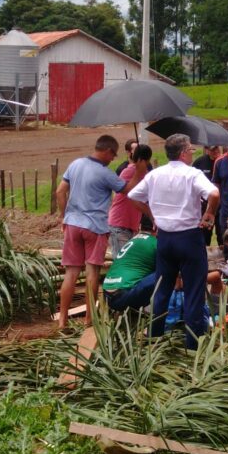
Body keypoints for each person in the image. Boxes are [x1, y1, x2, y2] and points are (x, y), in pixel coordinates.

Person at [128, 133, 220, 350]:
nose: (192, 153)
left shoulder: (155, 175)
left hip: (165, 238)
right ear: (183, 152)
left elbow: (133, 195)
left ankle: (154, 338)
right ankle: (192, 344)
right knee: (194, 290)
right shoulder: (192, 174)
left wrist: (153, 217)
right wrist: (210, 214)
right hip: (189, 237)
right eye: (191, 150)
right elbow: (214, 194)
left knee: (162, 288)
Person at [56, 134, 148, 329]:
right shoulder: (104, 173)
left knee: (70, 273)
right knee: (92, 273)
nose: (113, 159)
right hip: (95, 227)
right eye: (112, 155)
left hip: (72, 224)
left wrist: (65, 216)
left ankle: (62, 321)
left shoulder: (75, 164)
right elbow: (128, 190)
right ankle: (90, 319)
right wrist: (139, 170)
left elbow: (60, 191)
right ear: (106, 151)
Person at [102, 216, 158, 312]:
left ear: (140, 226)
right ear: (155, 227)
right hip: (123, 297)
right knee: (166, 272)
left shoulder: (133, 240)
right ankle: (155, 310)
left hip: (106, 294)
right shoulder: (155, 243)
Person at [108, 144, 153, 258]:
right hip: (119, 224)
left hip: (131, 225)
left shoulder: (146, 174)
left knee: (128, 259)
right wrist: (138, 172)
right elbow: (128, 191)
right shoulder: (128, 171)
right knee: (122, 260)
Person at [193, 145, 222, 245]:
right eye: (212, 149)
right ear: (206, 150)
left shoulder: (223, 162)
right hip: (206, 207)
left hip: (221, 206)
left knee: (222, 234)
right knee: (204, 235)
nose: (216, 151)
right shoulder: (199, 162)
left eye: (217, 148)